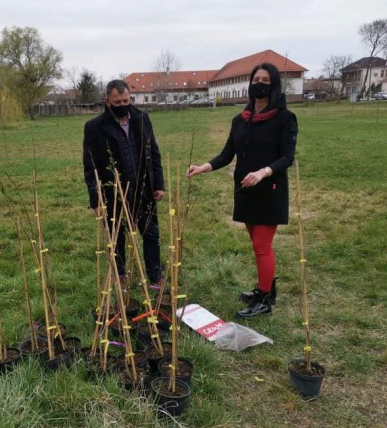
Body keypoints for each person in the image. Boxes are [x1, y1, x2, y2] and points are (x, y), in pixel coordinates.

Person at [187, 63, 297, 319]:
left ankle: (265, 300)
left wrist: (263, 172)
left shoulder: (285, 118)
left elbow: (287, 157)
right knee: (255, 243)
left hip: (270, 189)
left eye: (265, 80)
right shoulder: (241, 120)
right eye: (256, 79)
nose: (260, 83)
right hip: (245, 189)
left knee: (262, 245)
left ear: (274, 85)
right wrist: (204, 166)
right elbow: (228, 153)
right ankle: (265, 288)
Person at [83, 79, 165, 288]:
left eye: (126, 100)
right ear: (107, 101)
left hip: (142, 189)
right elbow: (90, 166)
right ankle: (120, 275)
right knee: (116, 234)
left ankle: (155, 276)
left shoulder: (142, 119)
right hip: (114, 193)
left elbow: (153, 153)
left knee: (151, 233)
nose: (122, 105)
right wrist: (96, 200)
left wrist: (158, 184)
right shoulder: (94, 128)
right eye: (117, 102)